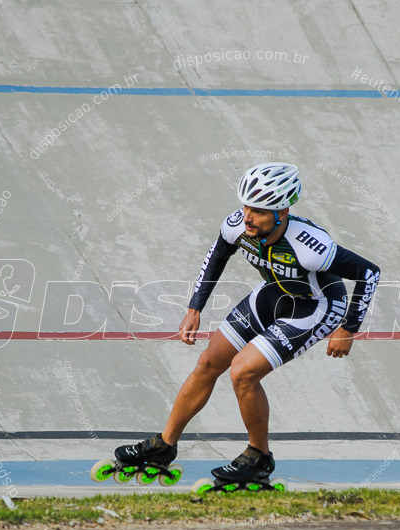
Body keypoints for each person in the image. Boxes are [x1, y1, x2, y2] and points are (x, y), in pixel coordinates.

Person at [115, 162, 381, 484]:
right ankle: (164, 445)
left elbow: (369, 273)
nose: (248, 217)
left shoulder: (311, 247)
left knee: (242, 371)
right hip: (273, 294)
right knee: (209, 361)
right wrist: (195, 307)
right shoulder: (237, 226)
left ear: (281, 213)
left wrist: (348, 328)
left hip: (317, 306)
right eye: (245, 206)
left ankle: (259, 457)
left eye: (258, 211)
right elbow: (217, 255)